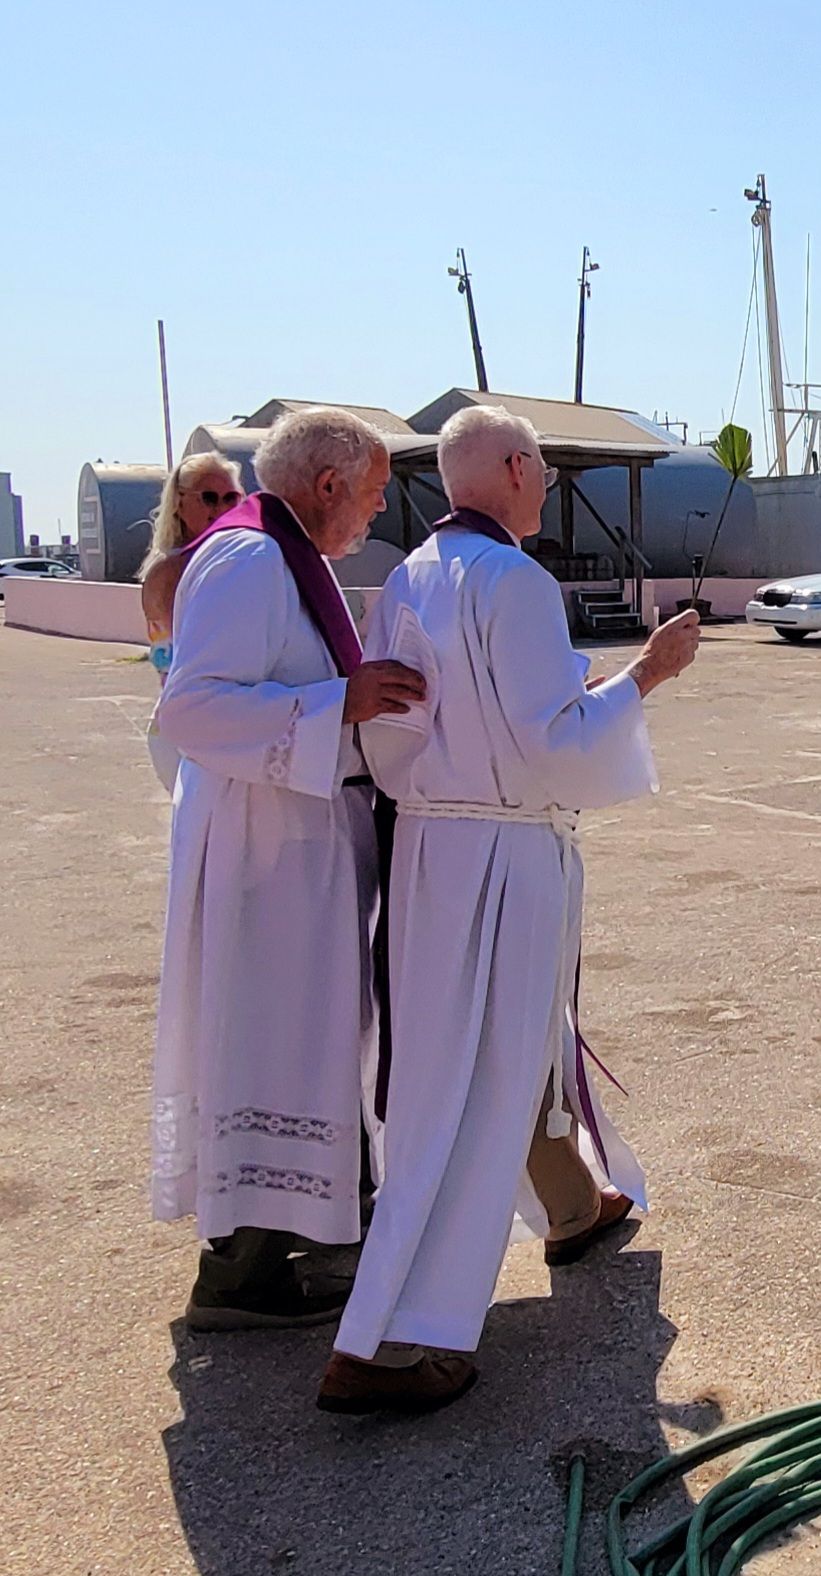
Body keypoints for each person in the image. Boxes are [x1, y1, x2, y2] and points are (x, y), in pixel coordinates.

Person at [318, 403, 699, 1413]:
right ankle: (404, 1336)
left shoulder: (406, 579)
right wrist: (644, 677)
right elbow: (553, 742)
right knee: (485, 1084)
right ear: (521, 469)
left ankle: (574, 1205)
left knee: (455, 1072)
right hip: (505, 852)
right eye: (535, 468)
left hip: (430, 850)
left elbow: (397, 734)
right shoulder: (517, 582)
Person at [151, 407, 425, 1330]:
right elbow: (191, 711)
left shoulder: (279, 557)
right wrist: (335, 703)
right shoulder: (248, 560)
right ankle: (245, 1271)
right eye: (376, 489)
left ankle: (311, 1242)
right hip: (265, 858)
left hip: (298, 847)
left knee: (305, 1041)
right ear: (326, 485)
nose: (380, 507)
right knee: (274, 1044)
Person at [140, 453, 245, 792]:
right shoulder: (171, 572)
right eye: (209, 498)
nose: (221, 508)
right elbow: (179, 660)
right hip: (190, 732)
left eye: (231, 498)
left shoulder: (231, 562)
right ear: (179, 505)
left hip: (221, 725)